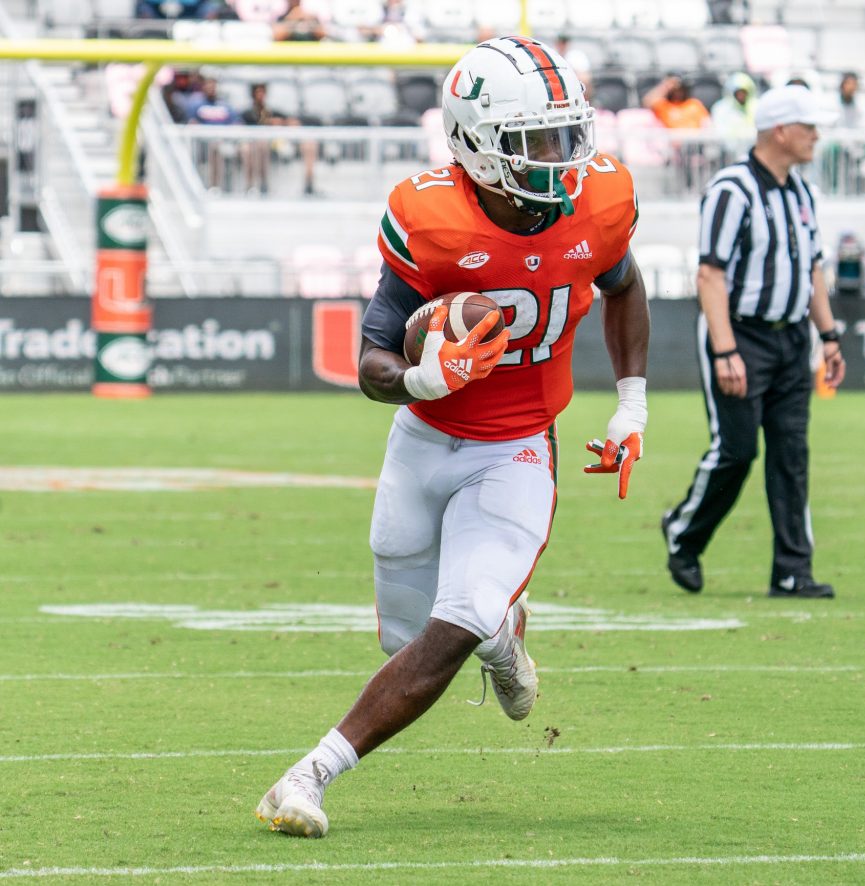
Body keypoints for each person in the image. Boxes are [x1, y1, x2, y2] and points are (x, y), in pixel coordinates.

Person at [256, 35, 650, 838]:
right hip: (425, 437)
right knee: (408, 638)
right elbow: (371, 355)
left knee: (452, 622)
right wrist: (419, 380)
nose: (561, 159)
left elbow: (625, 283)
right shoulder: (430, 219)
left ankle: (309, 775)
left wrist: (632, 403)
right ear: (475, 142)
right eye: (536, 142)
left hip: (518, 449)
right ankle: (504, 636)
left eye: (567, 135)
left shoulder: (599, 202)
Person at [661, 84, 845, 600]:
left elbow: (812, 270)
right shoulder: (732, 188)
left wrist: (828, 336)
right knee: (736, 452)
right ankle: (683, 532)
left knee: (792, 455)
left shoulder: (801, 192)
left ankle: (793, 571)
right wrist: (725, 350)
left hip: (791, 340)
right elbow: (710, 275)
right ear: (780, 130)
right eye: (809, 126)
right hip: (740, 333)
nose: (817, 136)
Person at [240, 82, 319, 196]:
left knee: (309, 144)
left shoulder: (272, 111)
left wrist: (281, 122)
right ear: (253, 94)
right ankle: (260, 184)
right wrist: (268, 123)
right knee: (258, 145)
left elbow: (293, 122)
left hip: (278, 142)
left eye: (263, 91)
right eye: (258, 92)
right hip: (256, 144)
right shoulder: (247, 114)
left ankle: (309, 184)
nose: (261, 95)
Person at [642, 75, 710, 130]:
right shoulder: (664, 105)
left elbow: (706, 122)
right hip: (670, 143)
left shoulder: (694, 104)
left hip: (693, 143)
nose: (678, 93)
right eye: (675, 90)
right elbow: (647, 103)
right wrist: (666, 85)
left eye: (680, 89)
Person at [554, 32, 593, 98]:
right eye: (560, 42)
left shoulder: (576, 55)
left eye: (564, 42)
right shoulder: (552, 55)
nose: (562, 45)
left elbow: (585, 77)